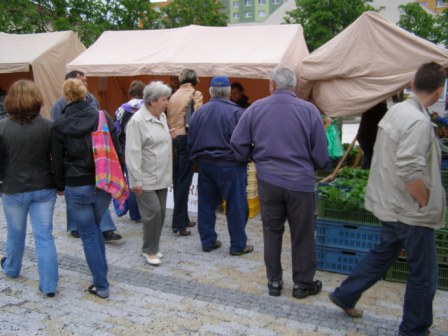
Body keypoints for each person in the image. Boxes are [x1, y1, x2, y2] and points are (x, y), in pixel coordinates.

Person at [328, 62, 447, 336]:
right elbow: (409, 169)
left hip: (392, 204)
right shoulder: (416, 120)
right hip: (410, 211)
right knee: (424, 275)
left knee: (383, 254)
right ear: (439, 90)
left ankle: (346, 294)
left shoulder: (398, 112)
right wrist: (425, 201)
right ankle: (414, 328)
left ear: (412, 83)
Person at [231, 65, 329, 298]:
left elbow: (238, 143)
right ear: (294, 86)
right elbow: (321, 155)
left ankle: (274, 282)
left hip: (268, 180)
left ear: (271, 85)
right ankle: (302, 284)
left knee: (271, 232)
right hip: (301, 182)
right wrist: (311, 166)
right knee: (303, 233)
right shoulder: (310, 111)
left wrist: (253, 157)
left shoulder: (256, 108)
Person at [51, 78, 124, 298]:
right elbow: (116, 149)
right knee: (95, 230)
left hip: (76, 184)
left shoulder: (59, 125)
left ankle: (101, 285)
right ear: (85, 95)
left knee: (90, 234)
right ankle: (101, 275)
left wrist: (59, 185)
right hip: (102, 182)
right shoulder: (102, 116)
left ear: (66, 97)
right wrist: (121, 176)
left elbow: (56, 161)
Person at [0, 80, 58, 298]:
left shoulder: (3, 128)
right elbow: (56, 159)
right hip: (43, 187)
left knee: (16, 233)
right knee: (44, 236)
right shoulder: (48, 126)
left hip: (14, 188)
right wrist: (58, 183)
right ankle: (49, 284)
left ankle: (12, 267)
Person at [51, 70, 122, 242]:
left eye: (86, 81)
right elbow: (58, 131)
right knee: (81, 196)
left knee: (92, 194)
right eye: (81, 81)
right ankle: (77, 227)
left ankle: (103, 229)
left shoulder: (92, 101)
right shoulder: (59, 105)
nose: (85, 84)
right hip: (76, 161)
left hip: (94, 160)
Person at [187, 76, 253, 255]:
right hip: (230, 165)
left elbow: (190, 140)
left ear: (210, 92)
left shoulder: (199, 112)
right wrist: (245, 157)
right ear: (228, 91)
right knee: (236, 205)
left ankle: (208, 241)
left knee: (206, 204)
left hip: (206, 163)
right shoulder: (236, 112)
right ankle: (238, 245)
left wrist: (197, 158)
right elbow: (245, 140)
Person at [125, 81, 174, 266]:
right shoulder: (137, 121)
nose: (167, 102)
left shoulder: (161, 116)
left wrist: (169, 134)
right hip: (144, 177)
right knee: (152, 212)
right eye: (164, 99)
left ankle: (154, 247)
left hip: (161, 175)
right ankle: (148, 249)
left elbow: (156, 139)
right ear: (152, 101)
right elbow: (132, 152)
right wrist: (135, 180)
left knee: (161, 213)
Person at [166, 69, 203, 236]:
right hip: (186, 139)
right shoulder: (195, 94)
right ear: (194, 79)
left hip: (172, 139)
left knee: (178, 180)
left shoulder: (173, 95)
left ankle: (184, 218)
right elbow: (198, 118)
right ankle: (178, 223)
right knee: (184, 182)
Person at [115, 80, 145, 223]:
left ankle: (135, 214)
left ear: (130, 93)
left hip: (127, 149)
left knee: (133, 182)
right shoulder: (148, 107)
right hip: (145, 149)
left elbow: (117, 131)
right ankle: (146, 210)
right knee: (146, 181)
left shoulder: (121, 109)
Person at [356, 101, 388, 169]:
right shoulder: (380, 108)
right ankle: (366, 174)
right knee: (369, 158)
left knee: (367, 156)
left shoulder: (369, 106)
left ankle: (364, 172)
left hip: (365, 138)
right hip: (370, 140)